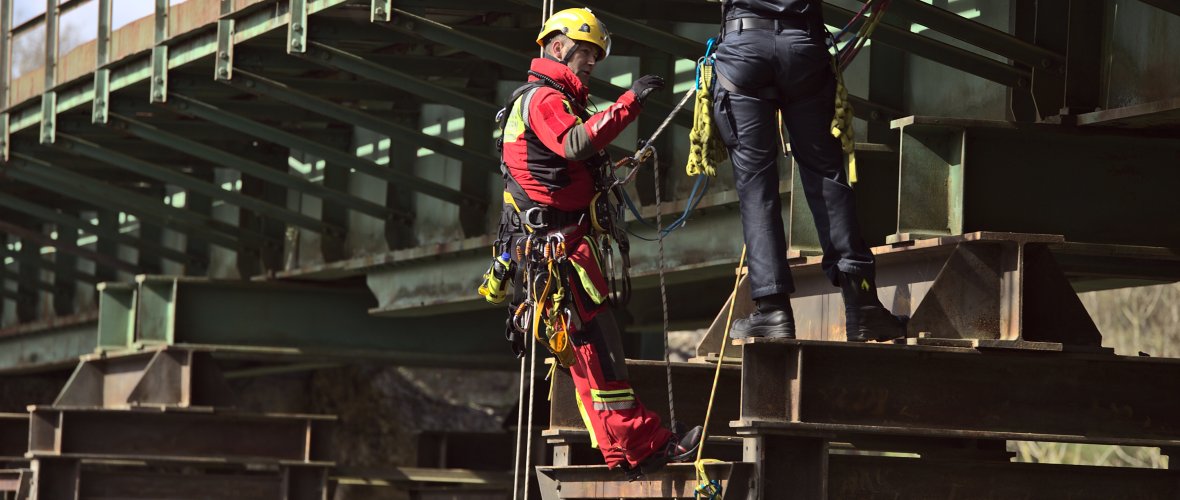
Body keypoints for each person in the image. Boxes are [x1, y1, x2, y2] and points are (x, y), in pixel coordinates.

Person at [497, 7, 701, 476]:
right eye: (585, 51)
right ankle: (645, 443)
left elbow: (565, 164)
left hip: (554, 249)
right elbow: (574, 145)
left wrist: (616, 165)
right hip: (558, 251)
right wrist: (629, 103)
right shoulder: (545, 98)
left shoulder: (547, 100)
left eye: (595, 55)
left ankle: (621, 452)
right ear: (555, 45)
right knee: (599, 351)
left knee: (588, 355)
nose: (591, 62)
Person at [710, 0, 907, 341]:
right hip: (803, 48)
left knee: (757, 187)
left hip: (743, 50)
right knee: (826, 176)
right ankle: (861, 304)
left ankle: (772, 309)